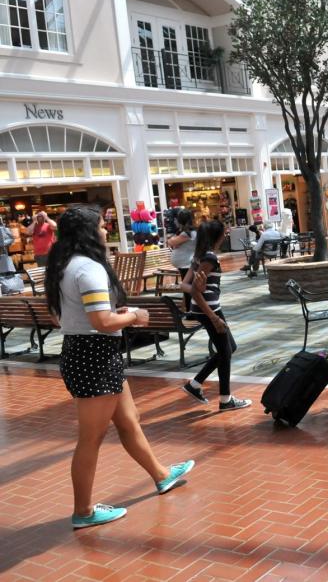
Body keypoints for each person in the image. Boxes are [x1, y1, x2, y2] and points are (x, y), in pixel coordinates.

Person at [46, 207, 194, 528]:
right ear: (88, 232)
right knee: (91, 439)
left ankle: (161, 475)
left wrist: (111, 316)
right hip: (94, 357)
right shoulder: (88, 269)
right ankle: (83, 511)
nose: (105, 231)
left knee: (129, 420)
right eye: (101, 226)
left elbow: (61, 316)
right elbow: (102, 321)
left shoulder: (64, 266)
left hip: (88, 354)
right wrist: (134, 316)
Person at [180, 220, 251, 411]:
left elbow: (185, 285)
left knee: (229, 348)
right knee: (226, 352)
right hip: (208, 309)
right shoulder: (209, 258)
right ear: (216, 236)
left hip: (204, 308)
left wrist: (197, 287)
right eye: (224, 233)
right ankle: (225, 399)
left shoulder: (199, 256)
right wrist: (213, 317)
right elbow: (194, 290)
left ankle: (195, 384)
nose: (226, 235)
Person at [166, 209, 196, 311]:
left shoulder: (187, 233)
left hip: (186, 264)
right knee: (187, 286)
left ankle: (190, 311)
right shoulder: (187, 232)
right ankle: (188, 309)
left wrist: (170, 240)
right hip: (185, 264)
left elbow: (172, 242)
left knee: (187, 287)